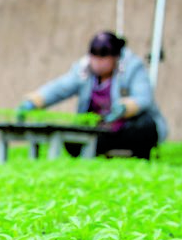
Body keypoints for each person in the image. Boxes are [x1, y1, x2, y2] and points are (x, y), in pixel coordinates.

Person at [16, 31, 167, 159]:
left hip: (125, 127)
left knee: (144, 126)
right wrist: (34, 101)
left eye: (103, 58)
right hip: (100, 128)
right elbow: (60, 88)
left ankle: (135, 152)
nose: (98, 63)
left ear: (115, 57)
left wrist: (124, 108)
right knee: (74, 136)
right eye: (94, 57)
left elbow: (144, 98)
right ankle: (97, 149)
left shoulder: (131, 68)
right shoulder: (84, 71)